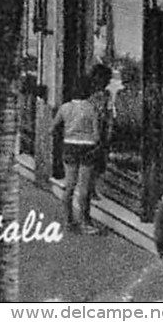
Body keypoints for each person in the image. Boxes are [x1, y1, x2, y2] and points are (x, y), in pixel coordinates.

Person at [56, 80, 104, 234]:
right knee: (84, 187)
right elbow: (96, 135)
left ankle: (68, 221)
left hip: (69, 145)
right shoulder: (92, 109)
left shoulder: (65, 108)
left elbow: (53, 127)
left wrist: (66, 135)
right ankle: (85, 223)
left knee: (69, 185)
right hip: (87, 147)